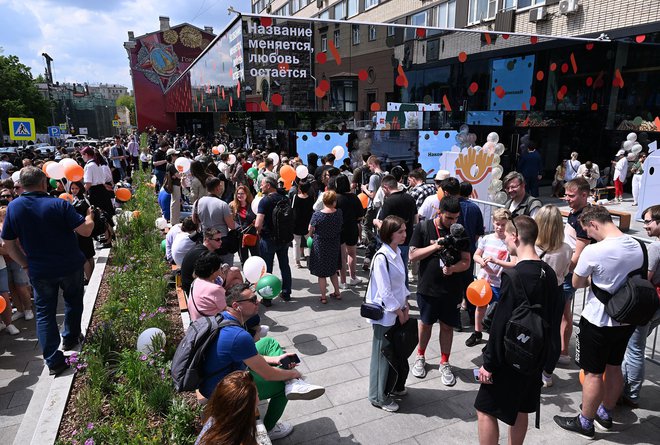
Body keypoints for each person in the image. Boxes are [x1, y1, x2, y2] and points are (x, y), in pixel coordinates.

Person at [554, 205, 641, 439]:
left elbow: (576, 282)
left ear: (594, 224)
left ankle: (586, 422)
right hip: (626, 319)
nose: (588, 236)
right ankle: (605, 413)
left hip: (598, 321)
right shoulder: (638, 245)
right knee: (614, 367)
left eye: (587, 231)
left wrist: (594, 279)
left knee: (593, 373)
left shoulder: (594, 251)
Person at [199, 283, 325, 441]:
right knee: (281, 387)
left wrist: (274, 359)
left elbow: (243, 354)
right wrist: (293, 373)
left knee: (268, 343)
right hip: (222, 388)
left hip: (213, 375)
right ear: (236, 306)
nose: (257, 302)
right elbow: (269, 374)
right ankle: (271, 427)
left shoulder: (223, 317)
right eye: (252, 300)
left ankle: (291, 381)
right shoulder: (239, 336)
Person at [475, 215, 561, 445]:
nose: (504, 238)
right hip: (535, 354)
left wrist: (489, 362)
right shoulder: (548, 272)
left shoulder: (513, 276)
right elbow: (554, 316)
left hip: (509, 355)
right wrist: (548, 359)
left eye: (507, 235)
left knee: (484, 409)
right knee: (521, 409)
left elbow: (500, 323)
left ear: (515, 237)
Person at [1, 167, 94, 375]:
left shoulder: (15, 208)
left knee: (44, 314)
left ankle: (53, 360)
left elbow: (9, 242)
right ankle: (70, 338)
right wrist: (90, 217)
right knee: (73, 301)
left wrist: (24, 263)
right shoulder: (59, 204)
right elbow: (86, 231)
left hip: (40, 270)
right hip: (69, 265)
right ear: (44, 183)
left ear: (23, 186)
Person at [409, 196, 471, 386]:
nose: (453, 222)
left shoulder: (460, 231)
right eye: (449, 218)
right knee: (425, 324)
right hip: (427, 287)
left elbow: (466, 262)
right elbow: (412, 255)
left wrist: (452, 269)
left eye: (456, 218)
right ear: (439, 213)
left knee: (447, 327)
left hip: (451, 290)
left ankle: (445, 361)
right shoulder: (423, 227)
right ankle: (420, 356)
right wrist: (436, 245)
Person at [366, 215, 410, 413]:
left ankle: (389, 387)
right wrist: (399, 311)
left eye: (404, 231)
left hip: (397, 310)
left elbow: (400, 284)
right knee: (381, 355)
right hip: (385, 314)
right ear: (389, 234)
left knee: (392, 353)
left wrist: (406, 303)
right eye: (400, 231)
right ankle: (377, 396)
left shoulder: (396, 252)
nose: (404, 235)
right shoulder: (381, 256)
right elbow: (384, 291)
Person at [620, 205, 660, 407]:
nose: (644, 225)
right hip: (657, 307)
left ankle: (630, 393)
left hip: (649, 305)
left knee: (634, 348)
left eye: (648, 221)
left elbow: (646, 279)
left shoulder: (655, 247)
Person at [534, 205, 572, 387]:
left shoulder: (532, 246)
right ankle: (548, 373)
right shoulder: (566, 249)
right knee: (553, 334)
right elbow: (565, 272)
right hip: (557, 293)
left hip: (536, 294)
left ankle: (533, 366)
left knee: (533, 330)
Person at [467, 209, 515, 348]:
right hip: (484, 281)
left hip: (499, 283)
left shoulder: (509, 242)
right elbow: (476, 255)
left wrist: (496, 262)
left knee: (498, 312)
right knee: (480, 306)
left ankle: (496, 336)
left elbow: (514, 263)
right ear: (493, 223)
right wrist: (480, 261)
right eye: (497, 224)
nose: (499, 227)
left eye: (503, 224)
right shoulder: (486, 239)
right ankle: (477, 333)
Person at [562, 177, 593, 364]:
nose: (567, 198)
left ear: (584, 194)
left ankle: (563, 352)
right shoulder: (574, 213)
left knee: (564, 312)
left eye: (571, 195)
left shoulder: (584, 218)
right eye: (566, 195)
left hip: (568, 273)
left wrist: (563, 270)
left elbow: (578, 254)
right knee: (562, 311)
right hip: (566, 270)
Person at [375, 174, 418, 288]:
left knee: (390, 271)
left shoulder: (389, 202)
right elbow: (416, 219)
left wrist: (376, 222)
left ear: (385, 187)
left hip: (392, 242)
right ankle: (405, 296)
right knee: (402, 268)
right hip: (406, 239)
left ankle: (395, 296)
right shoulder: (410, 198)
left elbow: (385, 226)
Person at [195, 370, 259, 445]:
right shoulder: (240, 440)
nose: (258, 398)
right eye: (257, 395)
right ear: (243, 411)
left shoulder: (213, 421)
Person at [255, 176, 292, 306]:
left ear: (269, 186)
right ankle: (286, 293)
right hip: (283, 237)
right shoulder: (285, 198)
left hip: (268, 239)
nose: (260, 187)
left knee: (267, 269)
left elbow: (258, 224)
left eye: (262, 184)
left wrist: (258, 232)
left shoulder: (265, 201)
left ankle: (267, 298)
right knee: (285, 265)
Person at [308, 190, 343, 304]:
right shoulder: (339, 213)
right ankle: (337, 292)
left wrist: (312, 235)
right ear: (334, 202)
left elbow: (310, 229)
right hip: (334, 244)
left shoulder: (317, 215)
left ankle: (323, 297)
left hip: (320, 245)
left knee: (321, 273)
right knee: (333, 270)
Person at [193, 177, 236, 265]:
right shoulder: (222, 204)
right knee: (226, 270)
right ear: (217, 188)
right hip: (222, 243)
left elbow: (194, 221)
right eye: (220, 186)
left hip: (206, 242)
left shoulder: (197, 202)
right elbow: (231, 226)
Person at [333, 174, 364, 288]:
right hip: (352, 228)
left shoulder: (335, 198)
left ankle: (343, 282)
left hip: (339, 230)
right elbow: (360, 216)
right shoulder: (354, 197)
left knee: (342, 256)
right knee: (352, 253)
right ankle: (353, 277)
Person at [360, 155, 385, 270]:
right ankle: (370, 255)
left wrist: (364, 189)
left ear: (374, 164)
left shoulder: (373, 177)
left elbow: (372, 195)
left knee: (367, 228)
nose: (369, 168)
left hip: (372, 208)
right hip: (381, 208)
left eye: (369, 165)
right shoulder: (385, 175)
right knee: (377, 230)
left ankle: (373, 246)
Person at [187, 252, 227, 321]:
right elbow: (227, 309)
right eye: (220, 268)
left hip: (197, 323)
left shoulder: (196, 281)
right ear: (212, 271)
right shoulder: (215, 289)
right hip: (211, 327)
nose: (221, 271)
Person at [69, 181, 95, 281]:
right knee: (89, 255)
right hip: (87, 229)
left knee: (83, 257)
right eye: (72, 188)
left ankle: (89, 278)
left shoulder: (79, 201)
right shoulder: (84, 198)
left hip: (80, 230)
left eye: (76, 188)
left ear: (80, 188)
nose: (74, 190)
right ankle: (91, 277)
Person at [230, 185, 259, 265]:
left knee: (256, 258)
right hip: (240, 237)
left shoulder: (253, 205)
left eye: (242, 193)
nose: (240, 195)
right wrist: (238, 228)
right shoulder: (232, 206)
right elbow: (230, 220)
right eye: (238, 193)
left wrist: (256, 221)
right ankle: (247, 277)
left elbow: (259, 217)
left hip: (252, 235)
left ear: (247, 194)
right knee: (243, 260)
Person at [291, 179, 314, 269]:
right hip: (308, 223)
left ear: (299, 188)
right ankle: (311, 260)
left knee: (296, 243)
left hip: (296, 223)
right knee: (310, 242)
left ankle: (297, 262)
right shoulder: (311, 198)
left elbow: (292, 209)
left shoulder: (295, 197)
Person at [166, 149, 182, 224]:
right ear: (171, 156)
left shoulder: (169, 164)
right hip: (175, 185)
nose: (177, 156)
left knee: (174, 202)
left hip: (174, 185)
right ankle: (175, 222)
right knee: (175, 203)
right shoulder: (172, 165)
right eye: (175, 155)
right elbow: (179, 176)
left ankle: (174, 220)